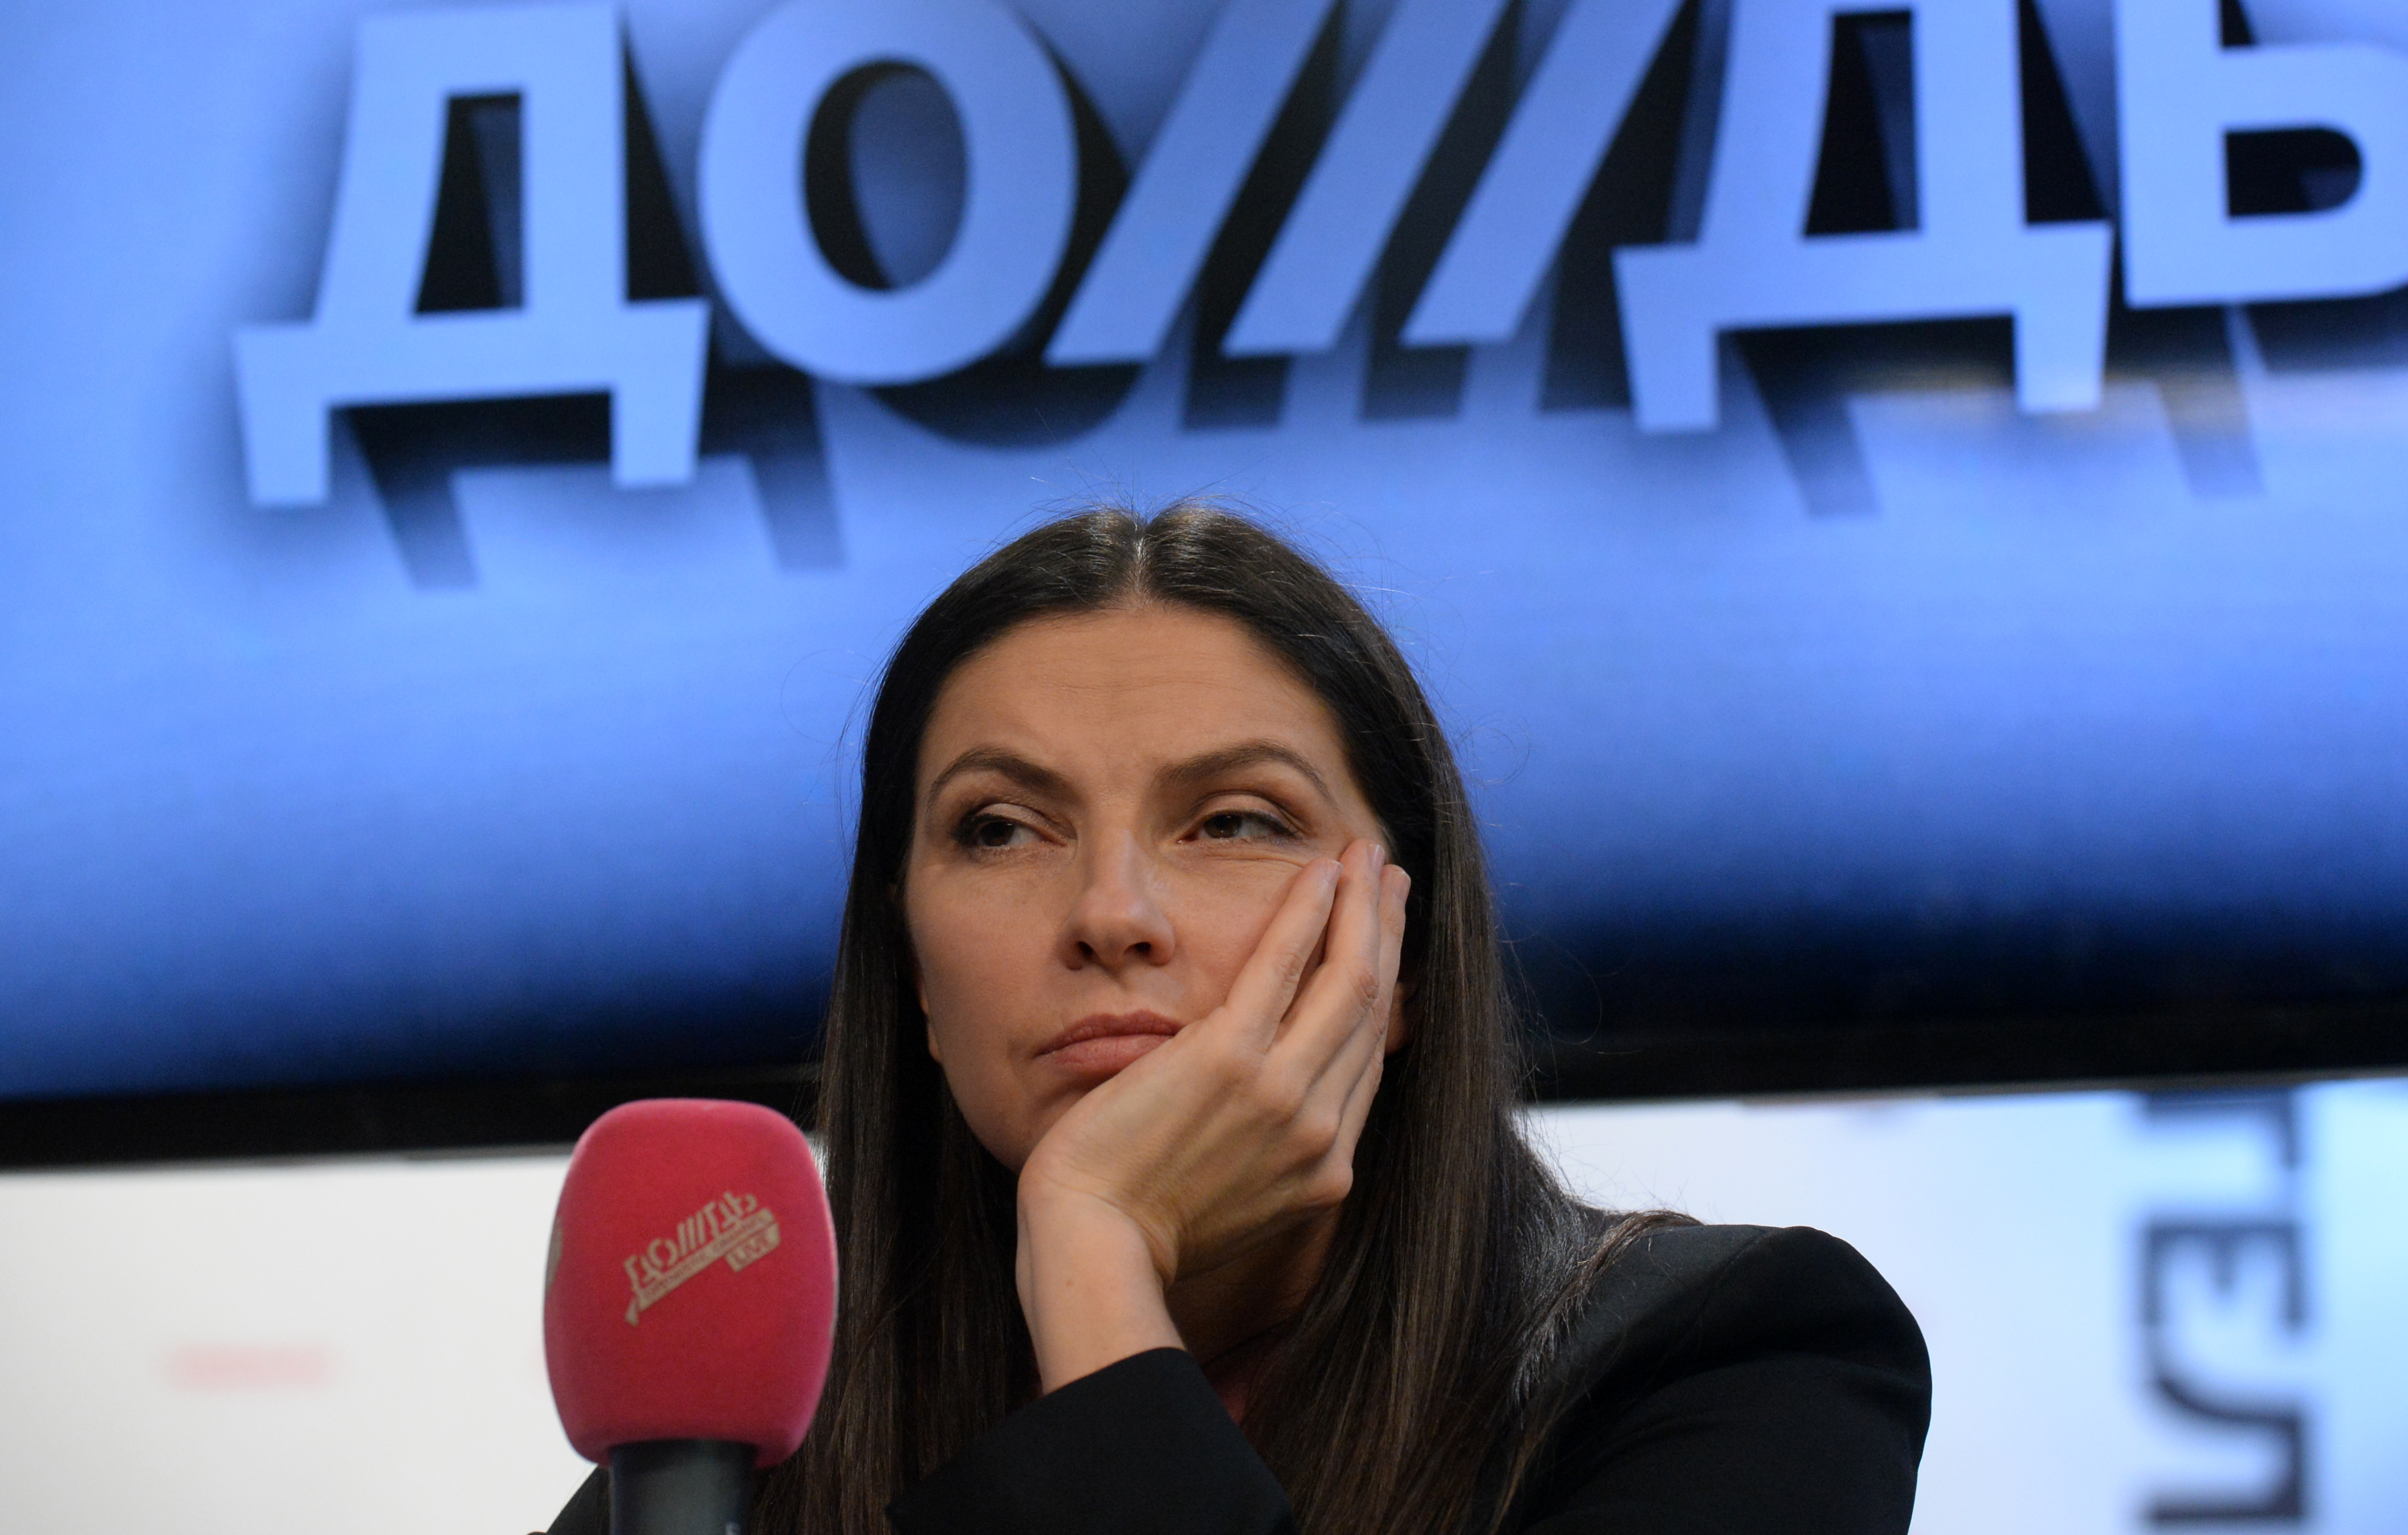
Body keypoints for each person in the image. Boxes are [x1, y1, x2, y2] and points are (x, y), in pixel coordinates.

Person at [544, 502, 1929, 1535]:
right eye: (1001, 827)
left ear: (1400, 951)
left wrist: (1097, 1260)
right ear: (910, 964)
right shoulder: (724, 1478)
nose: (1111, 911)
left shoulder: (1738, 1361)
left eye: (1234, 821)